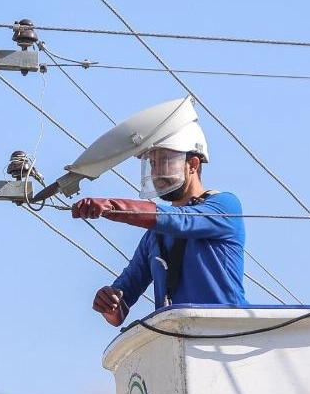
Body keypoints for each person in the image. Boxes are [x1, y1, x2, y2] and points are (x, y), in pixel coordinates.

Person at [72, 121, 247, 326]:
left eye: (164, 160)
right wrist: (109, 303)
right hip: (180, 341)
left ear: (193, 165)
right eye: (153, 163)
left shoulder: (225, 205)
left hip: (228, 337)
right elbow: (121, 305)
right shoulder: (155, 237)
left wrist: (112, 206)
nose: (157, 171)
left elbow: (181, 221)